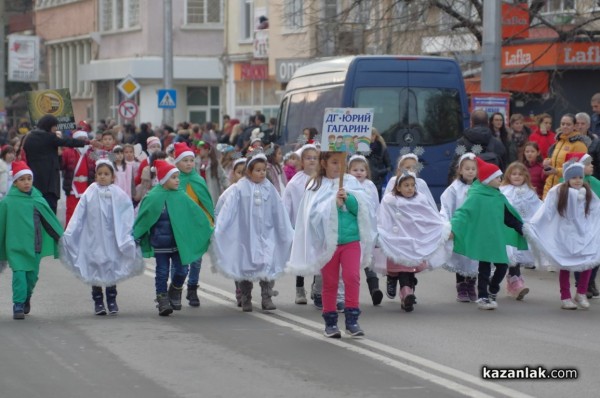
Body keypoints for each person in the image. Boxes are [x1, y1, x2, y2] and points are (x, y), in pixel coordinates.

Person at [287, 152, 376, 338]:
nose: (338, 167)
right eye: (334, 163)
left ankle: (352, 319)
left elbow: (364, 209)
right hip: (327, 243)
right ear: (324, 163)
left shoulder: (351, 182)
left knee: (352, 277)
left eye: (342, 163)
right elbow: (311, 215)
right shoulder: (315, 184)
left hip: (351, 240)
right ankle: (330, 322)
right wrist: (332, 204)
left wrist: (350, 200)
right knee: (330, 282)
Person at [210, 153, 294, 312]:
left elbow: (279, 210)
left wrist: (285, 229)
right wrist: (221, 227)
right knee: (246, 266)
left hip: (266, 234)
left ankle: (266, 296)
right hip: (246, 236)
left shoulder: (269, 187)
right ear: (249, 171)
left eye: (263, 170)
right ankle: (245, 296)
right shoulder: (240, 188)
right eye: (258, 170)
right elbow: (229, 209)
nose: (262, 173)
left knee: (267, 263)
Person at [60, 159, 144, 315]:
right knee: (95, 266)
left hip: (112, 237)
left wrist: (129, 232)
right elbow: (79, 214)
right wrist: (70, 232)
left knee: (111, 265)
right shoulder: (90, 192)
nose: (103, 177)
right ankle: (98, 301)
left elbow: (127, 213)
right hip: (94, 237)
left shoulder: (118, 193)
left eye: (106, 174)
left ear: (113, 177)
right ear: (95, 176)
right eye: (100, 174)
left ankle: (111, 300)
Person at [133, 160, 213, 316]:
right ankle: (162, 299)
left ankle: (175, 290)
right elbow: (143, 218)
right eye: (174, 177)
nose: (178, 180)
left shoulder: (181, 195)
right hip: (161, 243)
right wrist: (137, 236)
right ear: (163, 179)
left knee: (183, 270)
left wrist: (207, 228)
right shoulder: (153, 196)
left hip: (179, 243)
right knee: (162, 272)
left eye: (178, 177)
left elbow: (195, 214)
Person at [450, 157, 527, 310]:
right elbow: (463, 213)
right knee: (484, 270)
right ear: (488, 179)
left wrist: (522, 228)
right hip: (483, 239)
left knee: (502, 267)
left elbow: (509, 217)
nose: (501, 179)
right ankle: (483, 297)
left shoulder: (498, 196)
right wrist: (453, 228)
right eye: (497, 177)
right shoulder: (476, 196)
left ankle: (492, 289)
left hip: (497, 238)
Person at [524, 160, 600, 309]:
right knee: (564, 264)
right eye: (574, 178)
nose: (578, 180)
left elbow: (595, 210)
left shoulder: (587, 192)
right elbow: (547, 210)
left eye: (580, 177)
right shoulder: (558, 192)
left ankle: (581, 292)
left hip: (583, 234)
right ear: (567, 178)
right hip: (564, 234)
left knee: (588, 261)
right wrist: (535, 225)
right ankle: (565, 296)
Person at [377, 171, 451, 312]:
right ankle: (406, 293)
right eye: (406, 185)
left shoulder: (420, 200)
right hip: (399, 242)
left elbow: (429, 217)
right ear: (398, 187)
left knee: (410, 270)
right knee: (404, 269)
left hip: (416, 241)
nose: (410, 188)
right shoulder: (390, 200)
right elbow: (384, 218)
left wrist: (441, 227)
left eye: (412, 185)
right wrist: (383, 233)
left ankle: (407, 294)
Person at [0, 161, 63, 319]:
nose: (26, 182)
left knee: (31, 277)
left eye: (29, 179)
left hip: (35, 245)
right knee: (19, 275)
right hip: (15, 247)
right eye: (22, 179)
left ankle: (27, 296)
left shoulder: (37, 200)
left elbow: (49, 222)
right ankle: (18, 304)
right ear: (14, 182)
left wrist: (61, 238)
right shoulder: (7, 202)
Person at [172, 143, 215, 307]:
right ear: (176, 163)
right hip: (180, 227)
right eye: (185, 160)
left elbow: (205, 203)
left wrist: (209, 222)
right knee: (179, 260)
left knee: (196, 260)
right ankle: (175, 290)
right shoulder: (173, 181)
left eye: (191, 160)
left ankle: (192, 288)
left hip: (196, 227)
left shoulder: (198, 180)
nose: (189, 163)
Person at [22, 114, 91, 213]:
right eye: (54, 128)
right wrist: (87, 143)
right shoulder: (63, 149)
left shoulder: (28, 137)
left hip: (34, 181)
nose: (55, 130)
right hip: (62, 187)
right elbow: (65, 148)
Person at [282, 144, 320, 305]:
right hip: (300, 225)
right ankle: (299, 288)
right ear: (301, 161)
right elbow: (287, 205)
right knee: (302, 255)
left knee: (319, 255)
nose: (312, 161)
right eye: (308, 158)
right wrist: (288, 225)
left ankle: (317, 286)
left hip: (318, 225)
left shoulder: (322, 180)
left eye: (315, 158)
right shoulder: (295, 183)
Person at [440, 152, 479, 302]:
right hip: (460, 229)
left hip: (475, 229)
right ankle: (461, 285)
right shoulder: (454, 188)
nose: (470, 171)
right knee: (461, 257)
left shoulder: (480, 187)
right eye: (467, 168)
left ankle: (471, 284)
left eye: (473, 169)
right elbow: (446, 206)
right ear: (460, 170)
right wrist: (447, 226)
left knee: (474, 257)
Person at [500, 161, 542, 300]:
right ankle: (516, 281)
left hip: (523, 228)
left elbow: (537, 208)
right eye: (514, 174)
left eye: (520, 174)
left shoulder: (530, 192)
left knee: (519, 255)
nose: (517, 176)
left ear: (525, 176)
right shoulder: (503, 191)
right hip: (509, 228)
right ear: (508, 175)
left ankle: (514, 282)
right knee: (512, 255)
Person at [347, 154, 383, 305]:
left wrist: (377, 229)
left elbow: (376, 206)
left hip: (368, 228)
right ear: (349, 171)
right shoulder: (347, 184)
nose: (359, 172)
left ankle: (374, 289)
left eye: (362, 169)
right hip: (352, 228)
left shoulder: (370, 186)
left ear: (367, 172)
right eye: (355, 169)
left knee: (369, 257)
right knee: (353, 261)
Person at [564, 153, 600, 300]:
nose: (591, 166)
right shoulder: (565, 186)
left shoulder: (594, 183)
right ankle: (580, 285)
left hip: (591, 226)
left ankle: (589, 282)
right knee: (578, 258)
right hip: (573, 229)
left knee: (594, 255)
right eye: (587, 163)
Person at [448, 109, 506, 183]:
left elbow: (455, 165)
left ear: (471, 122)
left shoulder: (462, 142)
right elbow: (504, 168)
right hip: (491, 188)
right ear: (488, 122)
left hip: (468, 188)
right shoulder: (497, 143)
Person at [542, 113, 588, 198]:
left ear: (574, 126)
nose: (565, 126)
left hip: (565, 189)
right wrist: (548, 161)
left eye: (568, 124)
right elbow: (557, 161)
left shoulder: (579, 145)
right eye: (563, 124)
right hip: (550, 187)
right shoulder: (559, 141)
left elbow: (577, 169)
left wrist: (556, 171)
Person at [61, 130, 95, 225]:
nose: (83, 142)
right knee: (71, 214)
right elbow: (60, 165)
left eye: (85, 139)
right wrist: (59, 153)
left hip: (88, 188)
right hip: (72, 188)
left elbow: (111, 158)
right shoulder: (68, 152)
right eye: (80, 140)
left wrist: (104, 148)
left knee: (87, 215)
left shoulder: (92, 152)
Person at [366, 127, 392, 199]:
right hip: (363, 181)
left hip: (377, 183)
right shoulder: (360, 148)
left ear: (375, 136)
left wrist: (379, 172)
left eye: (372, 135)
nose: (369, 137)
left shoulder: (382, 148)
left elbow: (389, 166)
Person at [575, 112, 600, 180]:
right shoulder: (568, 140)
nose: (579, 126)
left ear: (588, 125)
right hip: (572, 179)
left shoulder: (596, 142)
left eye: (583, 124)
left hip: (591, 180)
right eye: (577, 123)